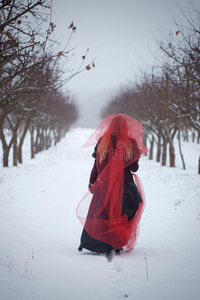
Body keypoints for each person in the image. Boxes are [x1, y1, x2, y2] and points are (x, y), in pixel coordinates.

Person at [76, 113, 148, 254]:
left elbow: (97, 164)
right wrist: (134, 156)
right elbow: (134, 168)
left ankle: (92, 243)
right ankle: (116, 242)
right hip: (124, 185)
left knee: (100, 214)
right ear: (125, 127)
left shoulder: (103, 141)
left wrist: (92, 182)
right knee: (124, 213)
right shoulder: (130, 142)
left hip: (104, 185)